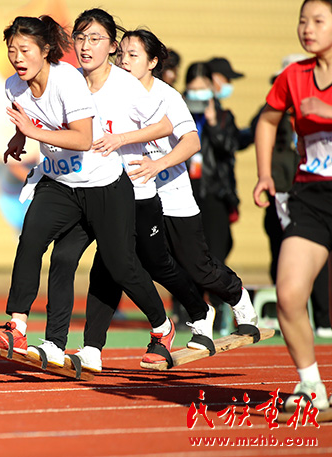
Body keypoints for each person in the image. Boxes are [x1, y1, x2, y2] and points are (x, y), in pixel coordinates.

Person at [0, 15, 170, 371]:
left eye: (25, 50)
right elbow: (30, 120)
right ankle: (25, 330)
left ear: (45, 51)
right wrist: (18, 138)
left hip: (103, 186)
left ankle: (162, 327)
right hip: (60, 186)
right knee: (38, 245)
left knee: (121, 265)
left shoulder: (67, 79)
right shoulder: (13, 86)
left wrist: (32, 132)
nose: (18, 58)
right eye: (12, 51)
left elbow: (83, 139)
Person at [41, 9, 215, 373]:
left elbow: (167, 126)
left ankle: (196, 313)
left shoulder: (127, 85)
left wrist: (125, 142)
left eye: (95, 39)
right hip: (90, 192)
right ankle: (75, 345)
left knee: (153, 265)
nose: (86, 46)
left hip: (135, 194)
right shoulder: (71, 82)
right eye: (81, 38)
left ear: (111, 45)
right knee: (83, 262)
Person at [118, 28, 258, 347]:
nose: (123, 62)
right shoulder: (113, 96)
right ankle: (198, 319)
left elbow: (191, 141)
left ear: (153, 62)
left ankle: (241, 302)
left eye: (132, 55)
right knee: (147, 264)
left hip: (174, 198)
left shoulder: (167, 96)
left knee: (200, 268)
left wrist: (158, 164)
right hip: (139, 200)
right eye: (121, 55)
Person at [253, 0, 332, 412]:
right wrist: (265, 173)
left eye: (318, 21)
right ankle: (312, 388)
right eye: (303, 21)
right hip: (312, 197)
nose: (307, 28)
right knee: (288, 294)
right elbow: (267, 120)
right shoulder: (295, 75)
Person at [184, 62, 241, 327]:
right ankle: (187, 311)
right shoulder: (176, 111)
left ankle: (221, 309)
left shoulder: (224, 116)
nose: (197, 95)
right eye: (192, 90)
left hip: (213, 192)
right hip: (186, 188)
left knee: (216, 251)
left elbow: (229, 146)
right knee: (183, 251)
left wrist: (214, 122)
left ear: (212, 89)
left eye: (202, 89)